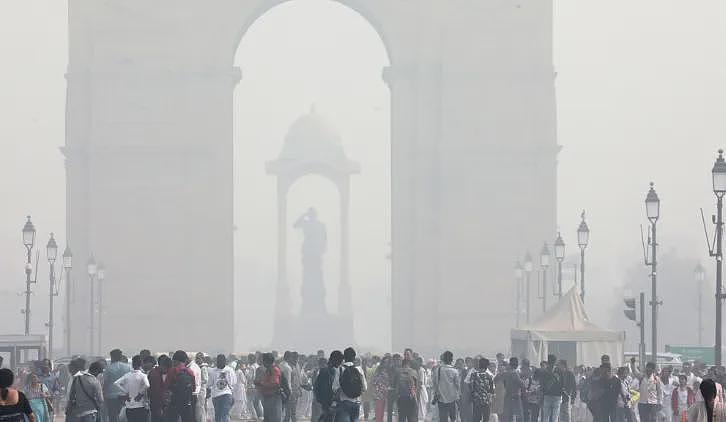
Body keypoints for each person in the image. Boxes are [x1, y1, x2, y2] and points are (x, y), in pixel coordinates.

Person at [333, 348, 368, 422]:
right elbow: (365, 387)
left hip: (344, 402)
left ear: (344, 357)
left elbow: (335, 388)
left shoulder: (339, 370)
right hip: (356, 403)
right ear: (354, 357)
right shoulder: (359, 369)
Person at [113, 355, 150, 422]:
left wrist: (126, 392)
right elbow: (147, 385)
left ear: (132, 364)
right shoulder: (143, 375)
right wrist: (140, 393)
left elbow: (116, 383)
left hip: (129, 407)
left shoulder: (127, 375)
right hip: (140, 406)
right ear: (141, 364)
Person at [67, 358, 104, 422]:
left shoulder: (76, 379)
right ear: (96, 372)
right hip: (91, 412)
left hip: (78, 413)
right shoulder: (94, 380)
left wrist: (68, 409)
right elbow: (100, 399)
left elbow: (71, 397)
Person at [165, 351, 196, 422]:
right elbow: (193, 388)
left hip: (174, 402)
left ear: (175, 360)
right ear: (185, 360)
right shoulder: (190, 371)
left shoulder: (172, 370)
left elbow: (166, 386)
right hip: (187, 402)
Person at [104, 349, 132, 422]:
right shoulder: (128, 367)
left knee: (113, 417)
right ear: (120, 356)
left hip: (111, 396)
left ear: (112, 357)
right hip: (124, 395)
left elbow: (105, 382)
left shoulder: (108, 368)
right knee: (124, 416)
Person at [208, 354, 237, 422]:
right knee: (218, 415)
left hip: (226, 394)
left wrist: (227, 377)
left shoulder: (229, 370)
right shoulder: (213, 371)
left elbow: (233, 382)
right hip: (216, 396)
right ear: (216, 361)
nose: (220, 362)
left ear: (225, 361)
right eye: (218, 361)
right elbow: (209, 383)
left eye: (221, 361)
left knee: (225, 414)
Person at [315, 351, 343, 422]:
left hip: (327, 403)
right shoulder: (327, 371)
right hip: (328, 403)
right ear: (334, 360)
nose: (340, 363)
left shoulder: (328, 370)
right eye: (339, 361)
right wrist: (329, 404)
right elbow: (325, 390)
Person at [433, 351, 461, 422]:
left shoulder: (438, 370)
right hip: (452, 400)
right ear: (451, 360)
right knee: (453, 419)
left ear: (443, 359)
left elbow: (435, 384)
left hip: (441, 399)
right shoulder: (455, 371)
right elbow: (457, 386)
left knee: (443, 419)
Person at [256, 353, 283, 422]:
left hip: (273, 397)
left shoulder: (274, 370)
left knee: (273, 418)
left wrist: (261, 383)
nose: (262, 363)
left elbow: (274, 383)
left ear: (267, 361)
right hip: (268, 397)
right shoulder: (268, 370)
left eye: (263, 361)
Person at [468, 358, 495, 422]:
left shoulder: (473, 375)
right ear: (486, 366)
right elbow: (492, 390)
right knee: (486, 418)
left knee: (476, 418)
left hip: (476, 400)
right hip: (486, 401)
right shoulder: (489, 376)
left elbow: (470, 387)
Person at [500, 358, 524, 422]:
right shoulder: (515, 373)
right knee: (519, 416)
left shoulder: (505, 373)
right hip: (515, 396)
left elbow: (504, 383)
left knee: (508, 415)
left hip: (507, 396)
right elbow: (521, 384)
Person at [540, 355, 563, 422]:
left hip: (547, 396)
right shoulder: (559, 371)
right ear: (555, 362)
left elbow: (542, 385)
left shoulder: (544, 371)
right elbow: (562, 384)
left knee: (546, 417)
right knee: (554, 418)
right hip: (556, 396)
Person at [148, 355, 170, 422]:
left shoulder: (153, 372)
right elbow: (155, 391)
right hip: (158, 403)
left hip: (159, 403)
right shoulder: (154, 374)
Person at [371, 357, 390, 422]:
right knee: (379, 409)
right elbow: (374, 381)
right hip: (378, 392)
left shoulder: (388, 370)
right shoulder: (379, 370)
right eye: (385, 362)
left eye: (387, 362)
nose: (386, 363)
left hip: (385, 392)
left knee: (382, 410)